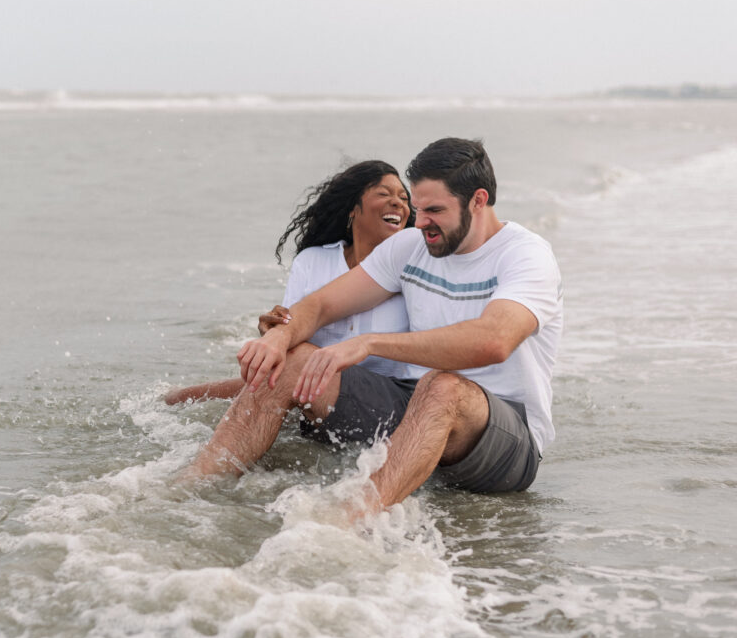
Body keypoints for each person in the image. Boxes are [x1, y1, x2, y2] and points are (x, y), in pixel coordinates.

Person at [183, 138, 563, 512]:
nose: (422, 222)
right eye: (419, 208)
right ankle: (189, 487)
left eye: (434, 210)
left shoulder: (525, 255)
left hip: (505, 440)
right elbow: (320, 305)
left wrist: (369, 343)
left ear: (478, 201)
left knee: (442, 386)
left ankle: (346, 523)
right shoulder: (411, 247)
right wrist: (279, 336)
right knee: (298, 359)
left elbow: (493, 340)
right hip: (416, 414)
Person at [164, 160, 415, 408]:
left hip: (381, 394)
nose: (398, 203)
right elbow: (291, 329)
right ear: (352, 208)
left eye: (404, 198)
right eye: (384, 194)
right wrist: (274, 330)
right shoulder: (312, 260)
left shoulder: (414, 267)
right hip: (309, 383)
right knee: (178, 398)